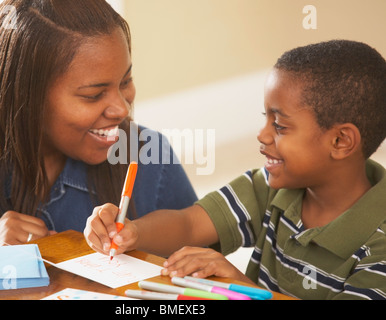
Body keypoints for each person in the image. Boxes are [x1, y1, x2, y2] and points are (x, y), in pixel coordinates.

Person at [85, 40, 386, 300]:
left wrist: (241, 288)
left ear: (340, 141)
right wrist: (133, 233)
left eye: (279, 126)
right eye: (265, 119)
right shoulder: (268, 188)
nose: (262, 135)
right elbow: (189, 224)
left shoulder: (379, 247)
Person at [0, 0, 197, 267]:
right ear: (24, 97)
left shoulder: (149, 157)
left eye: (125, 81)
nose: (121, 109)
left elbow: (207, 275)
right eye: (93, 95)